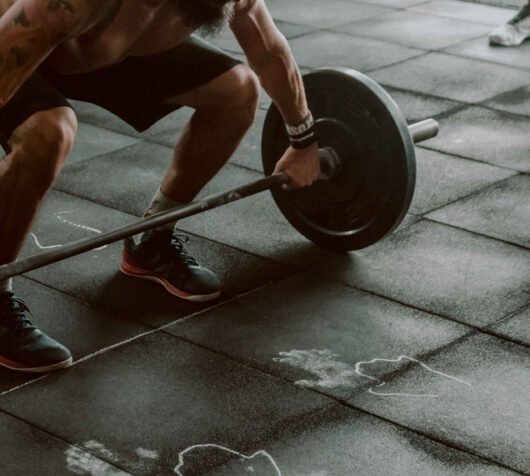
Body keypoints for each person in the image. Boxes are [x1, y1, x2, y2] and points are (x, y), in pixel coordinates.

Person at [0, 0, 321, 373]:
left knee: (238, 91)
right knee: (50, 131)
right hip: (14, 45)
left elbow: (267, 51)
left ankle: (152, 242)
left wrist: (303, 139)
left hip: (97, 53)